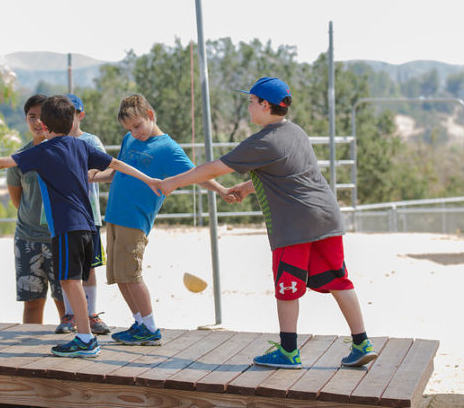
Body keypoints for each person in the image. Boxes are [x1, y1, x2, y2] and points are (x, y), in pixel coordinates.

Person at [159, 77, 378, 369]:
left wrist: (173, 182)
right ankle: (362, 342)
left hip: (295, 224)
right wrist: (248, 187)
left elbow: (214, 168)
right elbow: (289, 173)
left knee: (287, 286)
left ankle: (288, 351)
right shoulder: (296, 132)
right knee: (340, 280)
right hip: (327, 217)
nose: (248, 107)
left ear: (265, 104)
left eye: (251, 101)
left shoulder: (262, 141)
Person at [0, 95, 161, 358]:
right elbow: (115, 163)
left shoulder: (43, 151)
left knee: (70, 282)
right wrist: (148, 178)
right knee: (73, 281)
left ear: (46, 126)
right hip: (87, 225)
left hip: (66, 227)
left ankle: (85, 338)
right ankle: (85, 334)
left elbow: (1, 163)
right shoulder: (81, 146)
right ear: (72, 122)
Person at [90, 94, 229, 346]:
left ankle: (151, 328)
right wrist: (97, 176)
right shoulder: (129, 139)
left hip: (135, 220)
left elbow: (196, 174)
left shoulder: (167, 148)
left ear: (150, 116)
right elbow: (120, 170)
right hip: (114, 216)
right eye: (129, 128)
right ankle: (139, 323)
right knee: (119, 275)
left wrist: (220, 190)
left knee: (132, 274)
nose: (135, 132)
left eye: (137, 125)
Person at [5, 94, 65, 326]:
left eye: (43, 116)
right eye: (32, 117)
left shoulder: (64, 152)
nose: (38, 122)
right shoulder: (19, 158)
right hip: (27, 238)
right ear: (25, 119)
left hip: (59, 238)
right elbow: (17, 201)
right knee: (32, 302)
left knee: (65, 302)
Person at [54, 94, 110, 335]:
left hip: (89, 216)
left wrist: (91, 175)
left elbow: (111, 170)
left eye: (72, 114)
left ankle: (91, 313)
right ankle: (70, 314)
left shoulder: (91, 141)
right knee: (68, 270)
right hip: (64, 218)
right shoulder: (54, 142)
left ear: (80, 115)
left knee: (89, 267)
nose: (69, 119)